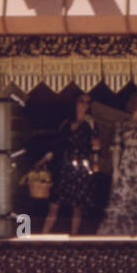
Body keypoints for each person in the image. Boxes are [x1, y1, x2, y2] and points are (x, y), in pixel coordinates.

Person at [98, 88, 137, 235]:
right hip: (127, 163)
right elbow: (117, 148)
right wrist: (116, 170)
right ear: (136, 103)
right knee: (124, 195)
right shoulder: (122, 125)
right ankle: (121, 231)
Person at [41, 91, 101, 236]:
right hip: (65, 166)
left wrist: (96, 156)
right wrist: (46, 157)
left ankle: (74, 236)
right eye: (82, 101)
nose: (84, 105)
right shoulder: (66, 123)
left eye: (88, 102)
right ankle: (43, 234)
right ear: (75, 102)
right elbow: (58, 144)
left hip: (82, 166)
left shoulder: (91, 123)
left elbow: (96, 147)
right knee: (54, 203)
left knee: (77, 206)